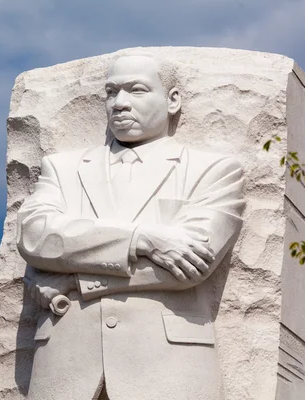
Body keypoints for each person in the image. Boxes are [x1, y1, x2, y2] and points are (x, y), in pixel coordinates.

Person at [17, 54, 246, 400]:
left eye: (136, 90)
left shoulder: (212, 171)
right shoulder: (62, 169)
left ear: (173, 100)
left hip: (169, 367)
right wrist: (144, 239)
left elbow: (190, 266)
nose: (120, 103)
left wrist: (72, 278)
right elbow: (36, 237)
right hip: (66, 365)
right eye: (111, 92)